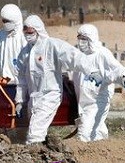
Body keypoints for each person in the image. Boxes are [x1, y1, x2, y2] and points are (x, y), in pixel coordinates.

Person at [14, 15, 101, 144]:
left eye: (30, 32)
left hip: (50, 94)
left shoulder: (52, 45)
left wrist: (91, 70)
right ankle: (41, 152)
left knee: (35, 132)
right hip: (34, 97)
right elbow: (21, 79)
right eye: (25, 32)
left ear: (38, 30)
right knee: (34, 127)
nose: (28, 35)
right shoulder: (25, 53)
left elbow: (74, 57)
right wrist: (20, 100)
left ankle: (33, 153)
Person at [70, 24, 125, 142]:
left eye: (84, 39)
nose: (81, 42)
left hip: (98, 99)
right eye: (79, 38)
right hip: (84, 100)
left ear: (91, 39)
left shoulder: (102, 53)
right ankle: (103, 148)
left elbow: (116, 69)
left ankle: (85, 150)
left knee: (85, 132)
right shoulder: (80, 55)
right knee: (97, 129)